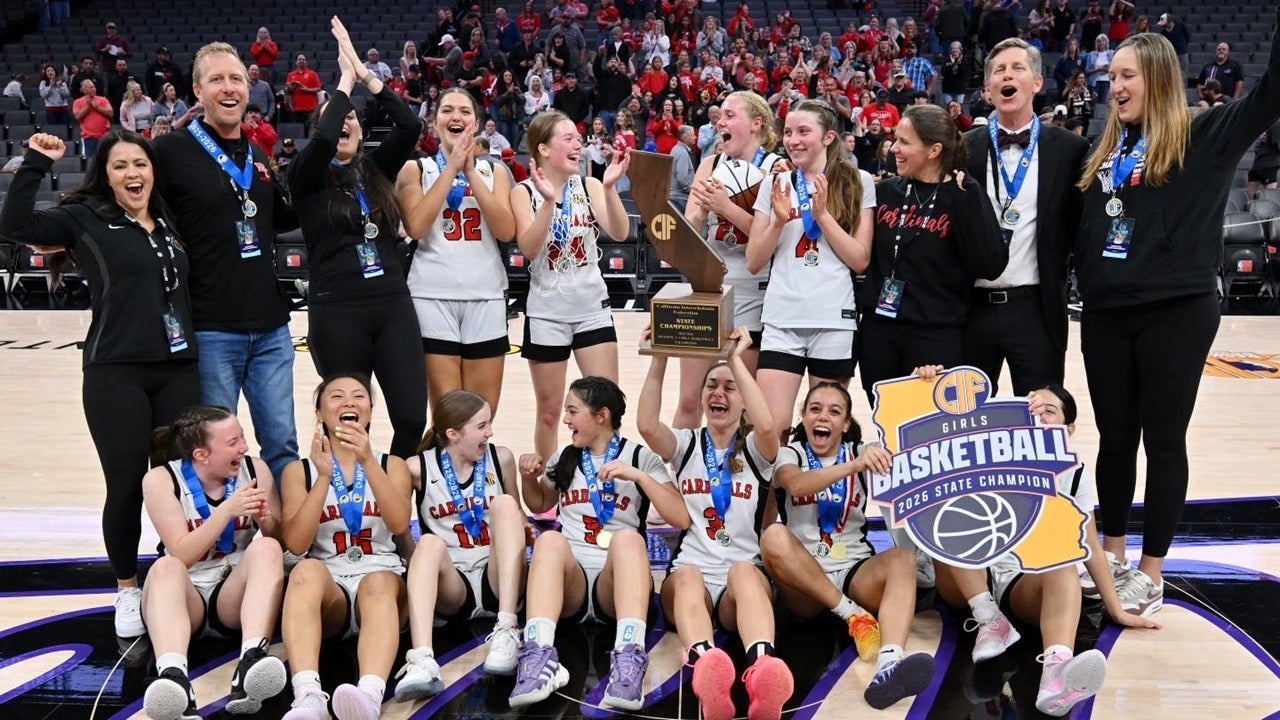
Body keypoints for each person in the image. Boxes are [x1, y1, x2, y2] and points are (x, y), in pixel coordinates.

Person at [1071, 22, 1280, 617]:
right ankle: (1110, 554)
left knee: (1163, 440)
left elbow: (1272, 91)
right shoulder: (1104, 150)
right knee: (1114, 439)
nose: (1114, 87)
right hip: (1107, 313)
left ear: (1158, 78)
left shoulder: (1206, 133)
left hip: (1177, 312)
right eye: (1111, 77)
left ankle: (1151, 572)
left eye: (1126, 75)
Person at [0, 131, 200, 638]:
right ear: (105, 176)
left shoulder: (170, 219)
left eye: (140, 163)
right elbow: (15, 225)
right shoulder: (85, 218)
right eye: (120, 167)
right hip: (116, 373)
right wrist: (35, 164)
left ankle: (179, 570)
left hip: (178, 368)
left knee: (181, 483)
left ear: (153, 170)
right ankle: (127, 588)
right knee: (127, 483)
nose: (133, 174)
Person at [922, 376, 1160, 716]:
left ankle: (1056, 676)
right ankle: (988, 619)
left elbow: (1088, 543)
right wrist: (926, 384)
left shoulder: (1074, 473)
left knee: (1065, 557)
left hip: (1022, 586)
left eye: (1050, 410)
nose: (1039, 414)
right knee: (946, 514)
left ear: (1070, 428)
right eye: (1033, 408)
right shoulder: (990, 453)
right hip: (970, 579)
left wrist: (1117, 607)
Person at [153, 42, 299, 484]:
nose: (229, 87)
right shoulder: (172, 151)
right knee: (216, 453)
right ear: (198, 90)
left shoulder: (257, 155)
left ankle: (284, 545)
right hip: (212, 327)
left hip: (271, 327)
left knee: (283, 444)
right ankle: (220, 546)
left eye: (236, 78)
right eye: (216, 79)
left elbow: (283, 217)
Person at [288, 18, 426, 460]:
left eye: (352, 117)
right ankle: (343, 510)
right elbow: (325, 134)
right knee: (344, 425)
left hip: (392, 307)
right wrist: (344, 83)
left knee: (410, 419)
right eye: (335, 117)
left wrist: (369, 78)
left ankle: (391, 495)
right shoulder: (306, 178)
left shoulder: (376, 171)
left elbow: (409, 127)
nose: (343, 121)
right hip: (336, 313)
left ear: (363, 132)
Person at [637, 331, 795, 720]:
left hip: (740, 584)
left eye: (729, 388)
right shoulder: (687, 443)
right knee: (688, 575)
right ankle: (707, 667)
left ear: (743, 400)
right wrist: (659, 355)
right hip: (690, 577)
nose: (718, 394)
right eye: (711, 385)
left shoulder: (757, 450)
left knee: (744, 570)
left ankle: (763, 669)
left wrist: (735, 360)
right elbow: (646, 425)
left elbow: (769, 426)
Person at [510, 377, 691, 709]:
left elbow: (680, 517)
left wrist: (639, 477)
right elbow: (538, 504)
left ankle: (629, 660)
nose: (565, 419)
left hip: (616, 581)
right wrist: (526, 477)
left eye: (573, 411)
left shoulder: (641, 457)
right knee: (550, 540)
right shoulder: (565, 457)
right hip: (572, 582)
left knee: (628, 539)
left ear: (601, 415)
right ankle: (538, 658)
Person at [760, 382, 936, 709]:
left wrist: (922, 390)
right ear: (803, 416)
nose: (822, 416)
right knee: (773, 536)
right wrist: (856, 466)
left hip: (854, 571)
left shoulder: (861, 451)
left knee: (902, 560)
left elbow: (912, 452)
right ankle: (853, 615)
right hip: (805, 582)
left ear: (846, 424)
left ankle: (889, 667)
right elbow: (796, 486)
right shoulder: (792, 453)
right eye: (815, 409)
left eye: (834, 411)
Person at [279, 374, 413, 720]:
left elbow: (399, 525)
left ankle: (368, 696)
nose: (350, 402)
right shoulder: (299, 471)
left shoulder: (391, 464)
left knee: (378, 582)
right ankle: (309, 696)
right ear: (320, 414)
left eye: (359, 396)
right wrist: (324, 477)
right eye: (336, 396)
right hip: (331, 590)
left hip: (382, 578)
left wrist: (367, 460)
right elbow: (295, 543)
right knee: (306, 570)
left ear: (369, 411)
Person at [962, 38, 1090, 397]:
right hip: (971, 310)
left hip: (1036, 309)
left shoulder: (1071, 150)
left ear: (1037, 82)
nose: (1008, 75)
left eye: (1018, 68)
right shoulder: (963, 147)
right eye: (999, 71)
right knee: (965, 425)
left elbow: (1083, 229)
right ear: (987, 89)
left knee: (1040, 422)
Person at [140, 407, 287, 719]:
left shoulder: (256, 470)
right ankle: (173, 677)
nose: (244, 447)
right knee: (165, 567)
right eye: (233, 442)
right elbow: (180, 554)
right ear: (202, 454)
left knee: (269, 548)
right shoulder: (160, 479)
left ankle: (251, 661)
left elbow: (284, 541)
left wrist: (268, 520)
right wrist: (226, 512)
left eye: (242, 437)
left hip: (231, 596)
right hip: (185, 596)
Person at [857, 104, 1007, 403]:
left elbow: (991, 265)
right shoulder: (886, 191)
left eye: (904, 142)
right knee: (887, 427)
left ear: (934, 150)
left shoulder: (964, 194)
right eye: (895, 139)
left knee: (928, 432)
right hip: (879, 331)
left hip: (934, 336)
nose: (894, 149)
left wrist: (970, 204)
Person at [746, 100, 873, 443]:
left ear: (829, 136)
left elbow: (860, 259)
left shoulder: (858, 181)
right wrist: (776, 222)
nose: (793, 140)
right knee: (772, 430)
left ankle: (816, 495)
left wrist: (822, 217)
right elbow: (754, 261)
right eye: (788, 132)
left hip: (834, 320)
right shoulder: (774, 184)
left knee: (824, 433)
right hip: (781, 319)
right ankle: (776, 497)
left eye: (804, 131)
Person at [391, 390, 527, 700]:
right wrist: (420, 566)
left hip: (498, 578)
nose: (489, 432)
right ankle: (423, 658)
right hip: (454, 587)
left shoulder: (500, 457)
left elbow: (517, 518)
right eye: (482, 426)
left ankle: (507, 628)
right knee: (427, 543)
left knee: (506, 505)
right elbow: (399, 528)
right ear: (453, 433)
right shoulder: (416, 468)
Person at [512, 110, 631, 462]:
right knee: (550, 412)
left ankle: (609, 478)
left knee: (606, 405)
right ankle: (549, 486)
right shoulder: (523, 192)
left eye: (579, 138)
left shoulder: (590, 185)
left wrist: (610, 187)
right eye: (568, 138)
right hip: (547, 313)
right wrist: (549, 201)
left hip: (591, 309)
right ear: (544, 149)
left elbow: (621, 232)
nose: (578, 143)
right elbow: (530, 249)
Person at [399, 88, 515, 418]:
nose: (456, 117)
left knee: (481, 414)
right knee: (447, 416)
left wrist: (470, 172)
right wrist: (450, 169)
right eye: (447, 110)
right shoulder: (415, 170)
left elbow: (507, 230)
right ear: (434, 123)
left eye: (464, 111)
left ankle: (479, 471)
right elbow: (416, 227)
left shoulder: (495, 172)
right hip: (431, 296)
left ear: (476, 123)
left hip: (486, 295)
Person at [674, 91, 781, 428]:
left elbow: (772, 238)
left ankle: (741, 476)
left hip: (755, 290)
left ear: (756, 123)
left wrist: (727, 208)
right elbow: (688, 230)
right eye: (720, 116)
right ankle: (679, 473)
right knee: (690, 398)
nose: (721, 121)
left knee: (742, 402)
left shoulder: (775, 168)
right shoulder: (710, 164)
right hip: (709, 285)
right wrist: (704, 208)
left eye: (730, 115)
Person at [72, 79, 113, 158]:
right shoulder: (77, 102)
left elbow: (110, 113)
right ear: (84, 90)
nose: (94, 89)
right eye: (90, 88)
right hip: (89, 137)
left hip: (104, 136)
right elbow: (78, 116)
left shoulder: (103, 100)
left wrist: (97, 107)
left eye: (94, 87)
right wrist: (88, 106)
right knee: (91, 161)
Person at [286, 54, 323, 129]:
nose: (301, 61)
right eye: (299, 59)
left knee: (310, 130)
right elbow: (288, 90)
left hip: (310, 108)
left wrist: (308, 90)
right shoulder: (291, 75)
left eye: (303, 60)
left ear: (306, 62)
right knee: (299, 130)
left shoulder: (312, 74)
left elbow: (318, 88)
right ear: (296, 62)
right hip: (297, 108)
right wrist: (290, 88)